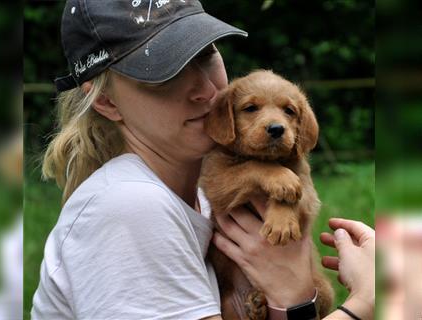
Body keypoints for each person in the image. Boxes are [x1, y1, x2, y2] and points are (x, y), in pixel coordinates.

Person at [31, 0, 374, 319]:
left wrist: (294, 298)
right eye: (164, 72)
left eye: (206, 54)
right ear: (106, 101)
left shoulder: (202, 202)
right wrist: (362, 304)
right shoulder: (130, 207)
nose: (206, 89)